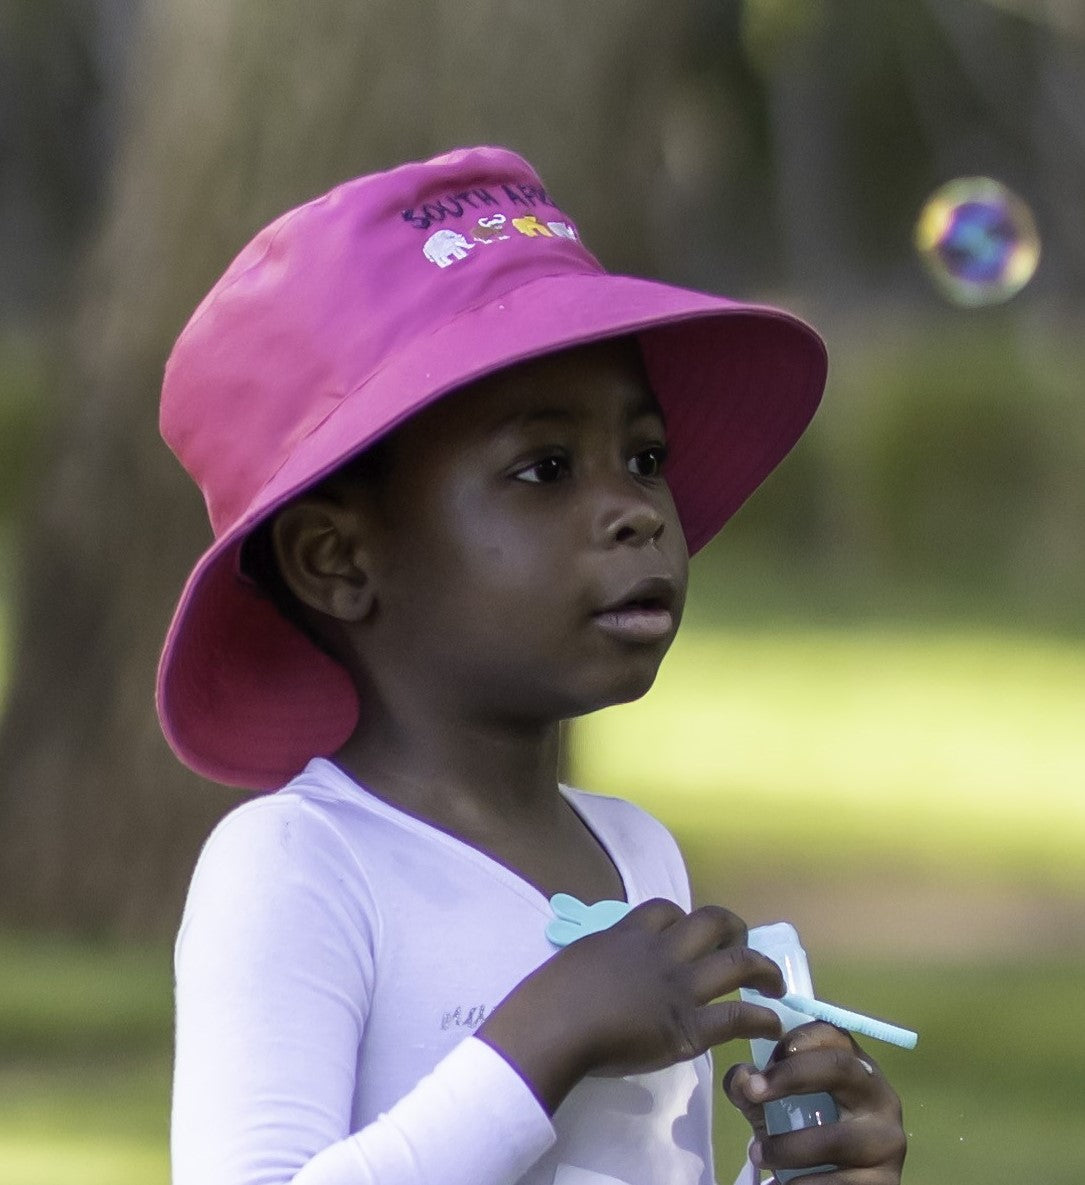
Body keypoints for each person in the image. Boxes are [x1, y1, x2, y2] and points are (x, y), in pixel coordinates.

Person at [159, 146, 906, 1185]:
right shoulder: (296, 868)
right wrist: (541, 1039)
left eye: (643, 459)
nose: (637, 511)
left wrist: (797, 1173)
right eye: (544, 469)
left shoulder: (635, 854)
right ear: (339, 559)